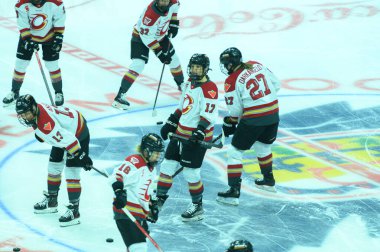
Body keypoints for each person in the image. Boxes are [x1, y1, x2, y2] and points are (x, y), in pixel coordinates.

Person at [156, 54, 218, 221]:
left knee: (191, 173)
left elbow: (208, 115)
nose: (195, 70)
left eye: (199, 67)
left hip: (197, 138)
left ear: (205, 69)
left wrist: (199, 132)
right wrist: (171, 121)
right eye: (193, 67)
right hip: (180, 133)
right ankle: (158, 200)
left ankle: (197, 206)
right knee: (167, 166)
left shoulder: (210, 88)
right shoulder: (189, 84)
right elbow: (182, 107)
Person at [15, 94, 93, 227]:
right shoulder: (38, 111)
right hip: (63, 131)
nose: (24, 117)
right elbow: (54, 134)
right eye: (22, 115)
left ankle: (74, 211)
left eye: (26, 113)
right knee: (53, 167)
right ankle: (52, 200)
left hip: (77, 133)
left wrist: (82, 156)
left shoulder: (47, 125)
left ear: (33, 108)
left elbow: (70, 141)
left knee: (72, 172)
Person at [216, 47, 281, 206]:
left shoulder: (231, 81)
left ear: (231, 64)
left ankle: (233, 192)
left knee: (234, 151)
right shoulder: (255, 64)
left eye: (226, 64)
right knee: (263, 147)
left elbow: (235, 112)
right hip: (273, 115)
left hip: (254, 119)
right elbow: (276, 85)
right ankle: (268, 181)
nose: (225, 67)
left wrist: (229, 122)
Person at [112, 0, 184, 110]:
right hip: (140, 37)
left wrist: (174, 23)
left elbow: (175, 10)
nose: (164, 3)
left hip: (161, 36)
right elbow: (147, 38)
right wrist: (160, 54)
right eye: (162, 0)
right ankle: (120, 96)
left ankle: (182, 85)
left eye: (166, 1)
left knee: (174, 60)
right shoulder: (150, 16)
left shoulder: (173, 2)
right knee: (138, 64)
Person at [3, 0, 66, 107]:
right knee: (20, 64)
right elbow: (22, 23)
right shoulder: (21, 4)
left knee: (52, 65)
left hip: (49, 36)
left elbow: (59, 19)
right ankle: (15, 92)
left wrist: (58, 37)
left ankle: (58, 92)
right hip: (29, 36)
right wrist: (28, 40)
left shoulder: (55, 3)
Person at [110, 133, 165, 251]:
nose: (158, 156)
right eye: (156, 153)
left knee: (135, 248)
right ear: (146, 151)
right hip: (126, 212)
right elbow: (117, 175)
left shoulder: (152, 169)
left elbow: (146, 192)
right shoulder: (135, 161)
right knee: (139, 248)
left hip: (139, 214)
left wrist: (151, 206)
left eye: (159, 153)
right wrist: (119, 192)